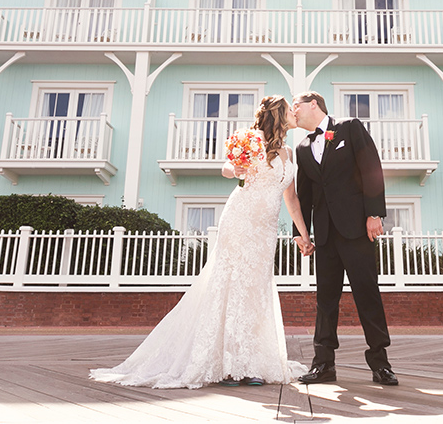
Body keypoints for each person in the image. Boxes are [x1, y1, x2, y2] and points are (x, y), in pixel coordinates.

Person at [89, 95, 312, 388]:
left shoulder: (288, 153)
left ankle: (253, 362)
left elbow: (291, 198)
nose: (296, 113)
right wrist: (238, 170)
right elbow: (227, 169)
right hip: (240, 220)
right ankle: (230, 366)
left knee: (256, 290)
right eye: (290, 110)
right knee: (232, 287)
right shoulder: (252, 138)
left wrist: (304, 235)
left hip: (265, 230)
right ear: (279, 115)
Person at [291, 91, 397, 386]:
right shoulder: (302, 147)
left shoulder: (350, 127)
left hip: (356, 229)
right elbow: (305, 195)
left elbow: (371, 168)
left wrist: (374, 214)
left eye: (295, 105)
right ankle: (323, 364)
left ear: (313, 104)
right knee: (326, 300)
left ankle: (380, 363)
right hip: (325, 235)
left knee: (367, 294)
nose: (292, 111)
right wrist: (301, 233)